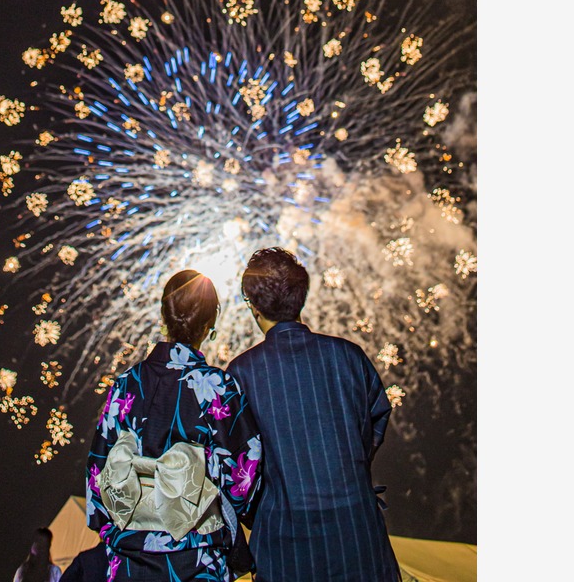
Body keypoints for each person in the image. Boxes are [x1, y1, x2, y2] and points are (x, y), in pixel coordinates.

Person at [226, 247, 401, 582]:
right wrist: (347, 469)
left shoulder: (242, 372)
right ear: (301, 298)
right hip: (358, 533)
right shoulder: (349, 357)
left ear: (254, 305)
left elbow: (238, 461)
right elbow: (378, 414)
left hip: (284, 541)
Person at [86, 269, 263, 582]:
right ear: (210, 324)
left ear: (162, 316)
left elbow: (97, 474)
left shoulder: (126, 385)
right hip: (195, 555)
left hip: (128, 558)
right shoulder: (216, 386)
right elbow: (242, 479)